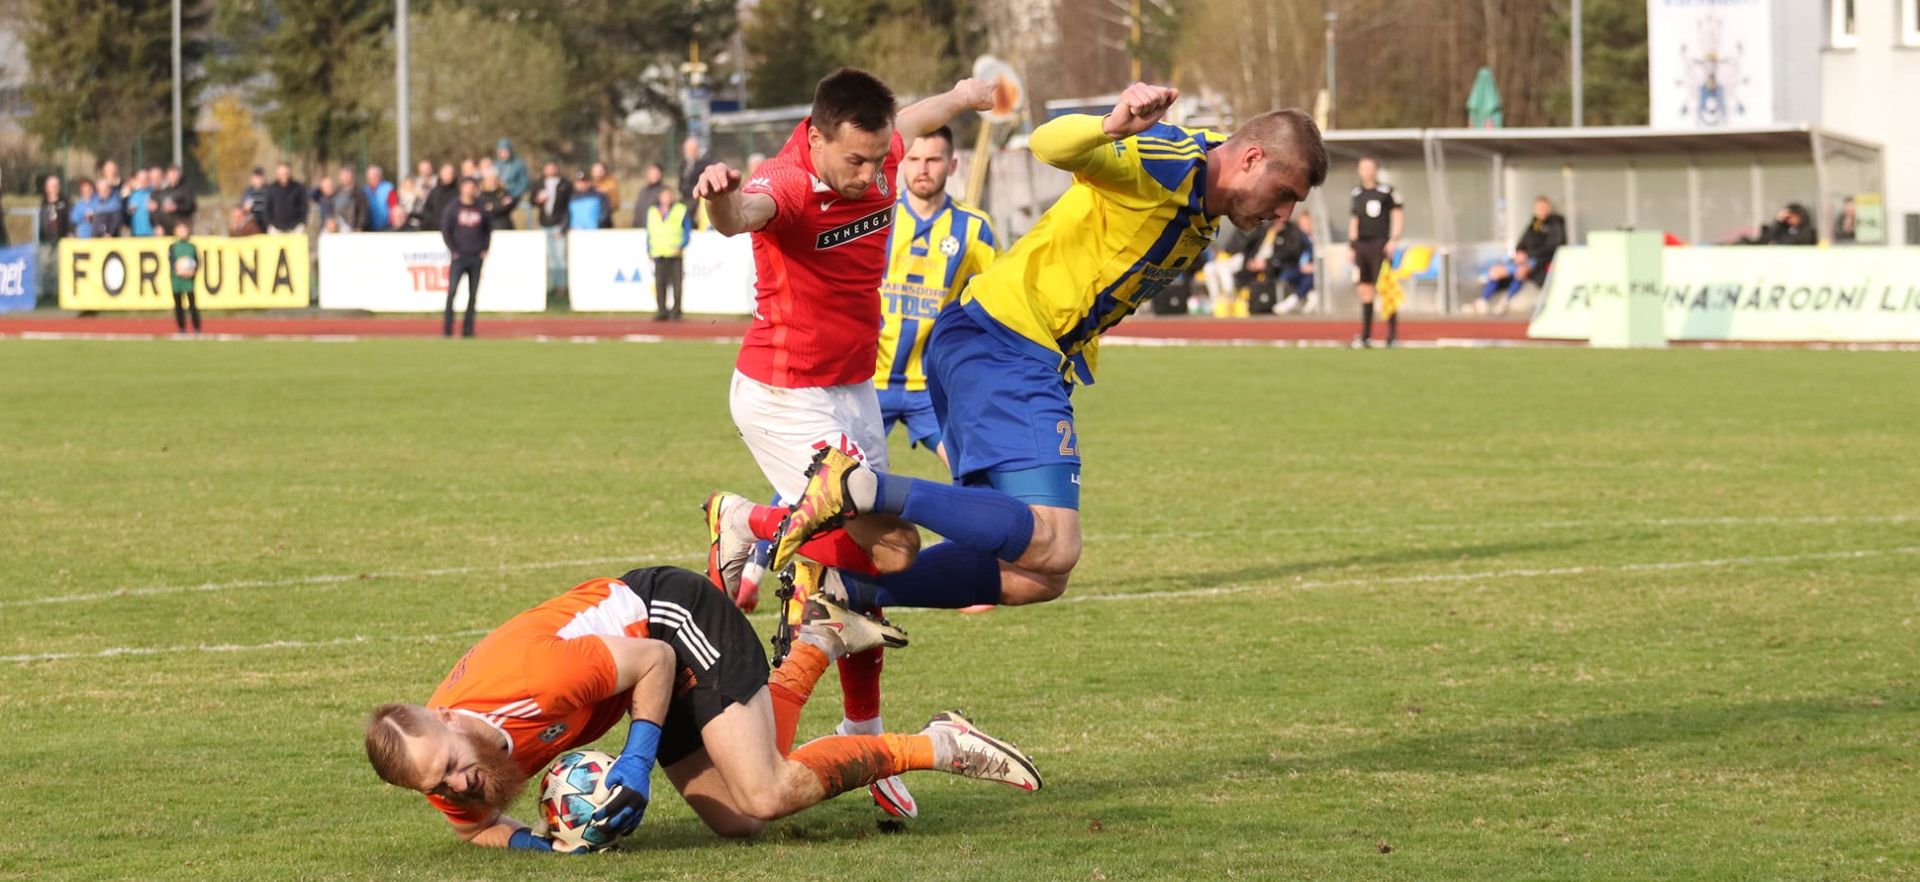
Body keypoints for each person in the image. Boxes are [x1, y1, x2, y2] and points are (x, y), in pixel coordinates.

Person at [717, 84, 1327, 633]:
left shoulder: (1208, 172)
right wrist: (1110, 125)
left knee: (1037, 574)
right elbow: (1049, 143)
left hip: (1005, 347)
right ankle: (859, 487)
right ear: (1250, 160)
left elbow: (912, 121)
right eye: (1284, 194)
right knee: (1056, 544)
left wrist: (961, 95)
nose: (1283, 214)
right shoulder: (1165, 161)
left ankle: (839, 589)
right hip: (1007, 340)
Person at [691, 67, 994, 821]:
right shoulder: (788, 183)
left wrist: (961, 97)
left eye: (878, 158)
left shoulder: (880, 150)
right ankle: (750, 525)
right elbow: (742, 215)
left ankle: (865, 735)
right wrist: (721, 195)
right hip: (785, 395)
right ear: (817, 136)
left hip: (852, 390)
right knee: (890, 551)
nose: (870, 176)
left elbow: (909, 116)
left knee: (858, 580)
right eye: (854, 162)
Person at [362, 565, 1039, 851]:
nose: (458, 786)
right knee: (739, 824)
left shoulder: (536, 679)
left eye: (452, 768)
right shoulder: (431, 762)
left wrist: (636, 756)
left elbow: (655, 660)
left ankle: (934, 744)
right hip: (632, 679)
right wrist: (540, 844)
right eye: (438, 784)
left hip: (670, 622)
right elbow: (473, 827)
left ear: (448, 717)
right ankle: (817, 641)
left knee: (765, 790)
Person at [873, 124, 995, 469]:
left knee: (974, 472)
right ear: (899, 162)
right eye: (913, 158)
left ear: (952, 165)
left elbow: (996, 303)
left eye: (933, 159)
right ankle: (761, 523)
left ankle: (1010, 524)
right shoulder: (877, 219)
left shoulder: (974, 229)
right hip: (867, 385)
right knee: (820, 482)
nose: (922, 168)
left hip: (933, 388)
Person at [1348, 157, 1403, 348]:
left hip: (1381, 244)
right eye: (1363, 168)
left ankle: (1392, 335)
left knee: (1385, 288)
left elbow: (1397, 216)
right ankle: (1365, 336)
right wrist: (1352, 245)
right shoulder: (1356, 193)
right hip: (1362, 245)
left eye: (1370, 168)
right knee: (1365, 289)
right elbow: (1354, 220)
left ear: (1376, 170)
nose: (1367, 172)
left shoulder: (1387, 192)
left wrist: (1393, 240)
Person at [1478, 196, 1565, 313]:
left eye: (1544, 207)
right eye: (1539, 208)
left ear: (1549, 208)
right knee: (1495, 271)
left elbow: (1552, 247)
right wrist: (1519, 253)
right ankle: (1483, 301)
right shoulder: (1534, 224)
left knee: (1521, 272)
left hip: (1539, 262)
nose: (1541, 210)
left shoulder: (1555, 224)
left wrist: (1529, 255)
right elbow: (1522, 242)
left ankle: (1505, 302)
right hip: (1524, 260)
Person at [441, 177, 490, 339]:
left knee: (473, 295)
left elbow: (488, 229)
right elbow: (446, 230)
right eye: (467, 187)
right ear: (462, 188)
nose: (470, 190)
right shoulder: (453, 208)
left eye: (473, 187)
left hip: (476, 257)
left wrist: (485, 248)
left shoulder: (480, 207)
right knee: (452, 292)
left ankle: (468, 330)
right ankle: (448, 328)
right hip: (459, 257)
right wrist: (453, 250)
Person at [644, 186, 691, 320]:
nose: (666, 199)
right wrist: (648, 249)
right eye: (664, 196)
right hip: (659, 253)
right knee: (660, 284)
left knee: (676, 284)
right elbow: (649, 232)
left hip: (675, 253)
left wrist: (681, 246)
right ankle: (661, 310)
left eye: (668, 196)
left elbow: (687, 231)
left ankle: (676, 311)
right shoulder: (652, 212)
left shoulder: (680, 210)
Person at [531, 161, 569, 291]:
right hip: (544, 224)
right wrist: (538, 200)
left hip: (558, 224)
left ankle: (563, 286)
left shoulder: (564, 184)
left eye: (552, 167)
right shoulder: (539, 183)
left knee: (560, 257)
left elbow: (568, 206)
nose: (550, 170)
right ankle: (554, 285)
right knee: (550, 258)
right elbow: (532, 200)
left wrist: (564, 226)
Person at [36, 175, 71, 304]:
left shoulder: (64, 202)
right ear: (46, 188)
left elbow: (68, 219)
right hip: (46, 240)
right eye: (51, 186)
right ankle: (44, 295)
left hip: (60, 239)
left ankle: (57, 295)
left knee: (58, 268)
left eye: (56, 186)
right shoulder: (44, 202)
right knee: (44, 267)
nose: (54, 188)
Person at [167, 220, 201, 335]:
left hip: (189, 280)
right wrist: (178, 271)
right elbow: (172, 263)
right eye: (179, 230)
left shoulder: (192, 247)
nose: (182, 232)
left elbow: (197, 262)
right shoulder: (173, 247)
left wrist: (192, 272)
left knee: (192, 304)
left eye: (184, 229)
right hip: (177, 280)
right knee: (178, 305)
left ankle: (197, 328)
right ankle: (181, 328)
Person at [264, 162, 309, 234]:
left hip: (295, 229)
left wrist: (302, 223)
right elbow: (267, 208)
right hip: (276, 230)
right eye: (281, 174)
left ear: (290, 173)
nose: (284, 176)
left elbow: (304, 207)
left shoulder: (299, 188)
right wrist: (269, 224)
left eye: (286, 173)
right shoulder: (270, 189)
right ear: (277, 175)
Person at [154, 165, 197, 233]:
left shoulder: (186, 189)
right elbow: (159, 209)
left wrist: (176, 207)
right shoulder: (164, 191)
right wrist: (158, 224)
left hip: (181, 227)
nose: (172, 176)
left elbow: (190, 206)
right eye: (170, 174)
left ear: (179, 175)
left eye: (174, 174)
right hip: (165, 227)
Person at [421, 164, 459, 233]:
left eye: (450, 174)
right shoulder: (435, 192)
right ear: (441, 175)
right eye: (445, 174)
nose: (447, 176)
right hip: (435, 231)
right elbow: (427, 210)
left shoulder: (458, 193)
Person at [678, 137, 718, 203]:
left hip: (697, 199)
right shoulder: (683, 165)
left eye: (693, 149)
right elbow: (680, 183)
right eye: (688, 150)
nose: (690, 152)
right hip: (684, 198)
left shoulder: (705, 164)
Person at [331, 166, 370, 232]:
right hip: (337, 228)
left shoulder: (359, 193)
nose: (344, 178)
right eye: (342, 176)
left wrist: (360, 226)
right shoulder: (337, 191)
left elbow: (364, 211)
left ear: (352, 176)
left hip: (352, 228)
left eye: (347, 176)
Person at [632, 163, 668, 228]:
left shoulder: (664, 191)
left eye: (656, 173)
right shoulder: (643, 191)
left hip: (655, 229)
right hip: (639, 227)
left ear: (661, 174)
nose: (654, 175)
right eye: (651, 173)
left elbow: (666, 211)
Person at [366, 165, 400, 231]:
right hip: (369, 227)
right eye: (370, 177)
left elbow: (394, 207)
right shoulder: (365, 190)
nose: (372, 179)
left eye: (375, 176)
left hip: (386, 227)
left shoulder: (388, 188)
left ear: (380, 176)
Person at [126, 169, 155, 237]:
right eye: (141, 179)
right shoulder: (132, 195)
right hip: (136, 233)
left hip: (152, 233)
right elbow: (128, 213)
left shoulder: (154, 193)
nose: (143, 181)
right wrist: (129, 210)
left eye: (145, 179)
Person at [240, 167, 270, 232]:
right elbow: (244, 206)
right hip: (250, 221)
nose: (258, 179)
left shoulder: (269, 190)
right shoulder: (248, 190)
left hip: (264, 223)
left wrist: (253, 204)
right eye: (256, 177)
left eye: (260, 177)